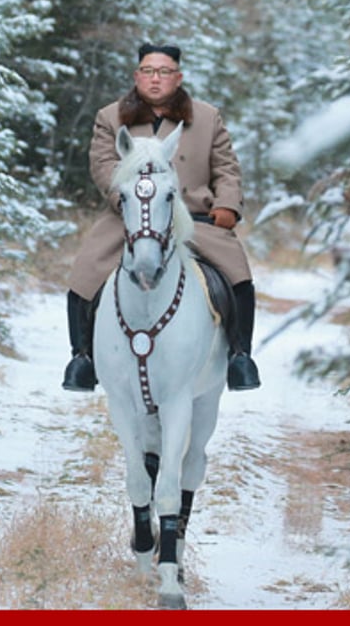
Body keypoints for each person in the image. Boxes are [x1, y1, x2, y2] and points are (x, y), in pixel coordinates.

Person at [62, 42, 261, 393]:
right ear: (138, 75)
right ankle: (83, 358)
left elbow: (227, 168)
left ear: (178, 77)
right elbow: (104, 166)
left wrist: (228, 204)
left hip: (196, 219)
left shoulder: (207, 117)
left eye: (164, 72)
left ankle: (239, 357)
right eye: (149, 71)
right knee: (85, 275)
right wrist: (125, 199)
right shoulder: (110, 118)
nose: (156, 79)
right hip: (130, 217)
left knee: (238, 278)